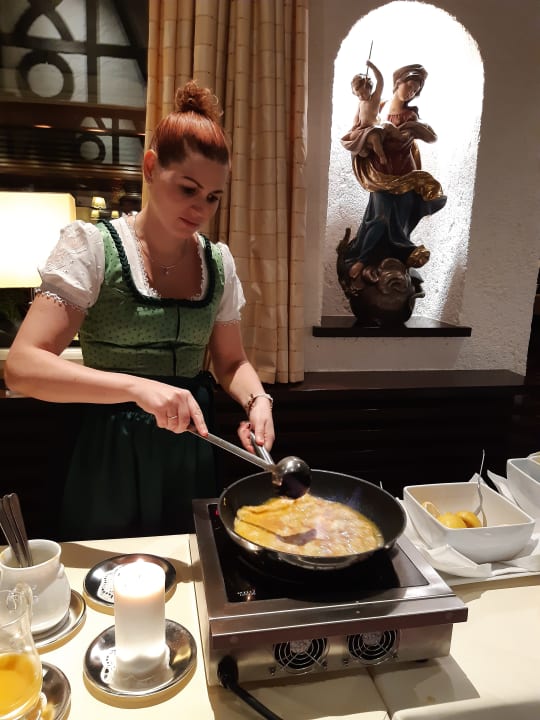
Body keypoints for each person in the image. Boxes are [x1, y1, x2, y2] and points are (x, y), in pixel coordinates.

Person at [5, 80, 275, 540]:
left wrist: (258, 401)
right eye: (188, 188)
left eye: (212, 197)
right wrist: (137, 388)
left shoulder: (218, 263)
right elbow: (22, 366)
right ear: (150, 167)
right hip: (108, 445)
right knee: (112, 570)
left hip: (191, 444)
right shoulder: (93, 248)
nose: (200, 208)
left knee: (190, 562)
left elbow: (232, 362)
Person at [338, 63, 446, 317]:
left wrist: (391, 132)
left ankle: (401, 256)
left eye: (416, 89)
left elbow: (416, 140)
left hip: (404, 175)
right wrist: (366, 135)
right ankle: (365, 259)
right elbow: (357, 128)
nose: (411, 92)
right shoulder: (380, 105)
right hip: (380, 175)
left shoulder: (411, 117)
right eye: (410, 85)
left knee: (398, 221)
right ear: (399, 82)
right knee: (377, 218)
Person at [340, 60, 387, 165]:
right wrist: (355, 125)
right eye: (358, 95)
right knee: (349, 137)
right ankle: (362, 148)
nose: (361, 96)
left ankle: (381, 155)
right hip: (362, 129)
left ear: (369, 88)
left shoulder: (374, 98)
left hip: (372, 129)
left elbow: (380, 80)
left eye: (363, 93)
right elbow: (357, 116)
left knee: (375, 139)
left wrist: (372, 67)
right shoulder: (360, 103)